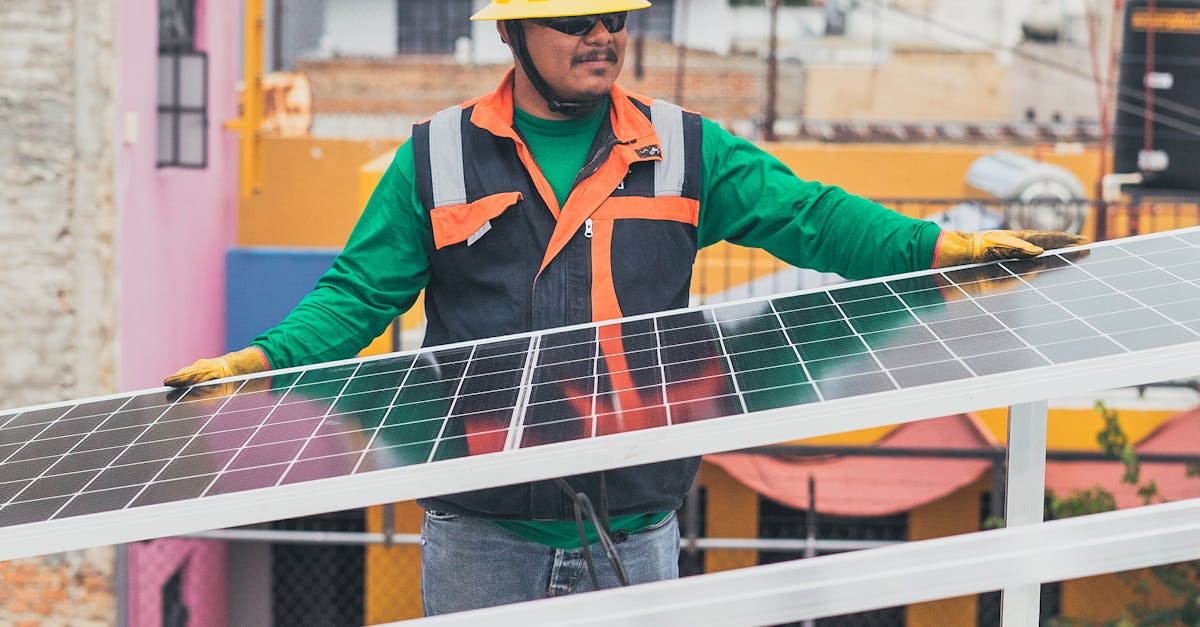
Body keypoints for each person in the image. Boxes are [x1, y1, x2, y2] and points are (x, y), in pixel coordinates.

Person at [164, 0, 1087, 615]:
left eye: (614, 19)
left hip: (638, 532)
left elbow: (812, 218)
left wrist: (939, 249)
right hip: (482, 536)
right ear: (513, 34)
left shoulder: (683, 149)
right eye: (575, 21)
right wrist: (267, 360)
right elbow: (357, 295)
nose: (601, 36)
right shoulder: (437, 159)